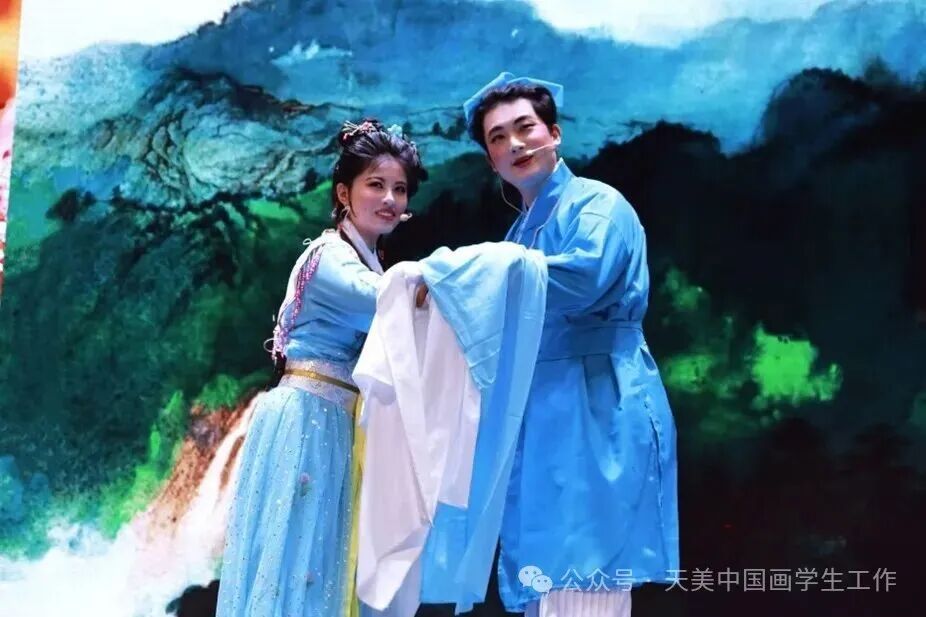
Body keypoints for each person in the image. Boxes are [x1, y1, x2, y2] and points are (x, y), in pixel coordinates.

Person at [457, 72, 680, 617]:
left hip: (595, 401)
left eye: (525, 128)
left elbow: (585, 277)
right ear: (491, 161)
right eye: (498, 138)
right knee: (546, 579)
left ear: (554, 134)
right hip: (545, 408)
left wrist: (463, 274)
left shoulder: (598, 205)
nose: (515, 144)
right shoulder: (519, 235)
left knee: (585, 573)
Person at [216, 118, 427, 617]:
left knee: (324, 560)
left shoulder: (369, 258)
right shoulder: (331, 256)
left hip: (334, 418)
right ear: (344, 193)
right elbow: (380, 298)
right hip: (307, 415)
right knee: (299, 558)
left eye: (399, 188)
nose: (389, 199)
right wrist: (442, 279)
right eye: (376, 185)